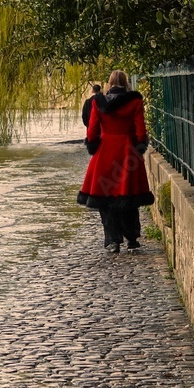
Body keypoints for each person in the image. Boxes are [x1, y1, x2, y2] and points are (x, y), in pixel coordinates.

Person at [77, 70, 154, 253]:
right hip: (127, 152)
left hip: (105, 152)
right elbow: (140, 129)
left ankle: (113, 240)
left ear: (109, 83)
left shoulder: (98, 102)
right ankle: (132, 238)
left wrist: (92, 145)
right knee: (129, 195)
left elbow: (92, 129)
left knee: (105, 198)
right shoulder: (134, 101)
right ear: (126, 82)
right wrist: (140, 145)